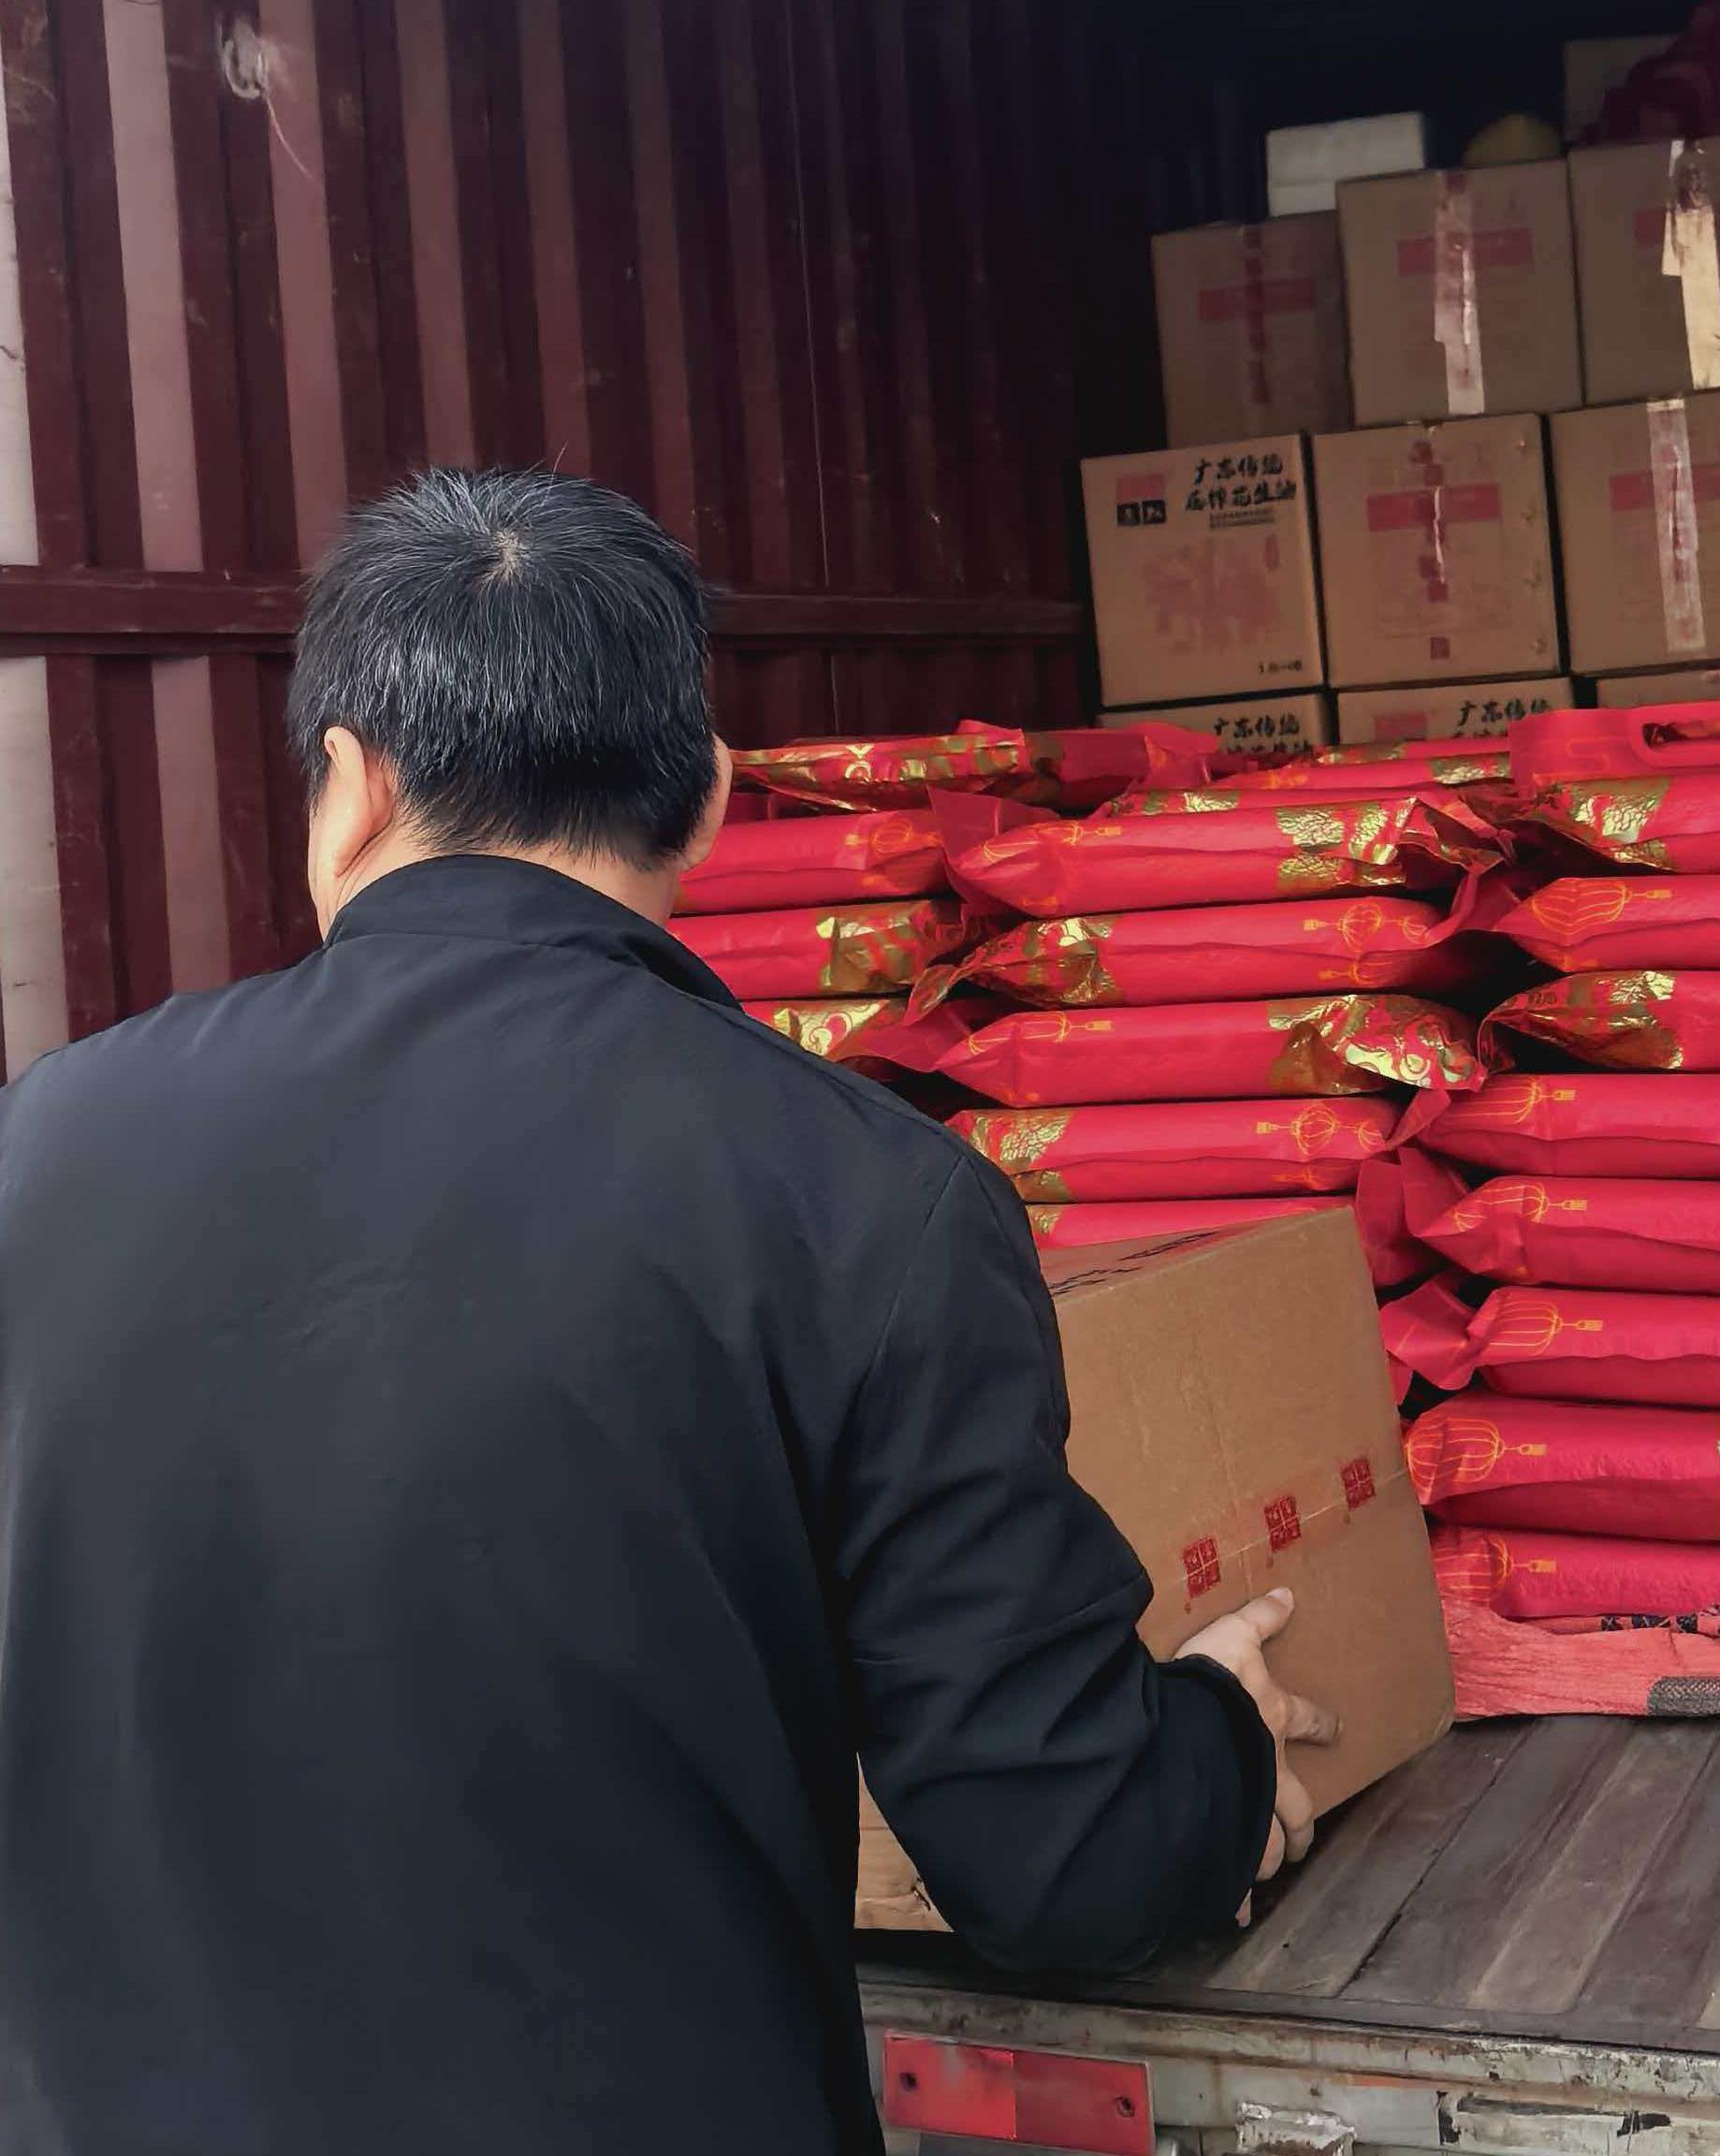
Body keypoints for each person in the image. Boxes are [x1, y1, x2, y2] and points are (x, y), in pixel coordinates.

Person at [0, 469, 1332, 2154]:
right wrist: (1217, 1749)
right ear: (705, 800)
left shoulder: (46, 1142)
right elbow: (1060, 1863)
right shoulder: (866, 1200)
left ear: (349, 788)